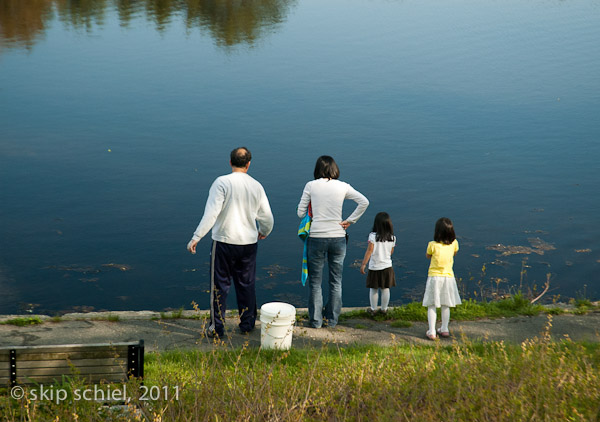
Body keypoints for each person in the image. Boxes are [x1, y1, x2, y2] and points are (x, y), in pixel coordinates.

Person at [187, 147, 274, 338]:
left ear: (230, 162)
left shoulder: (221, 183)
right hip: (249, 244)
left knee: (219, 286)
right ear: (249, 164)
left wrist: (196, 237)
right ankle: (247, 324)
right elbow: (267, 217)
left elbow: (211, 214)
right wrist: (263, 231)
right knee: (246, 284)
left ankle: (217, 328)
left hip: (224, 242)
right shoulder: (256, 186)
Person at [297, 155, 369, 328]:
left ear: (317, 169)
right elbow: (364, 202)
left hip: (316, 238)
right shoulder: (343, 186)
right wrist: (350, 221)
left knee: (315, 282)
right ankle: (332, 321)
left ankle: (315, 321)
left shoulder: (311, 185)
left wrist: (311, 210)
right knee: (335, 281)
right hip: (338, 237)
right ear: (334, 169)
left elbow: (300, 213)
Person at [422, 217, 461, 340]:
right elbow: (455, 253)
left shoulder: (432, 245)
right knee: (446, 304)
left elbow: (428, 256)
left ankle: (432, 331)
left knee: (432, 304)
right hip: (448, 277)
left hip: (434, 277)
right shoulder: (454, 243)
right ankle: (444, 329)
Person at [359, 212, 396, 315]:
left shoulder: (372, 236)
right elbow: (391, 252)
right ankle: (384, 309)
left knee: (374, 288)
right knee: (385, 288)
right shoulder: (392, 237)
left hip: (374, 267)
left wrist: (363, 264)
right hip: (387, 266)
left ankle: (373, 309)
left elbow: (369, 251)